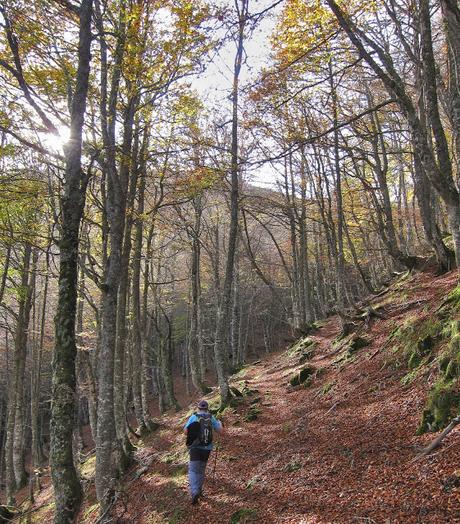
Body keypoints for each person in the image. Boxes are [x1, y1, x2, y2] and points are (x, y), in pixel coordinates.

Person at [183, 399, 223, 504]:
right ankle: (199, 491)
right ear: (207, 408)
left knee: (193, 470)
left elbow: (185, 431)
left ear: (199, 408)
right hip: (207, 448)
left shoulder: (194, 417)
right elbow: (220, 431)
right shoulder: (211, 417)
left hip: (195, 447)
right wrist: (220, 423)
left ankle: (195, 491)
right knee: (201, 469)